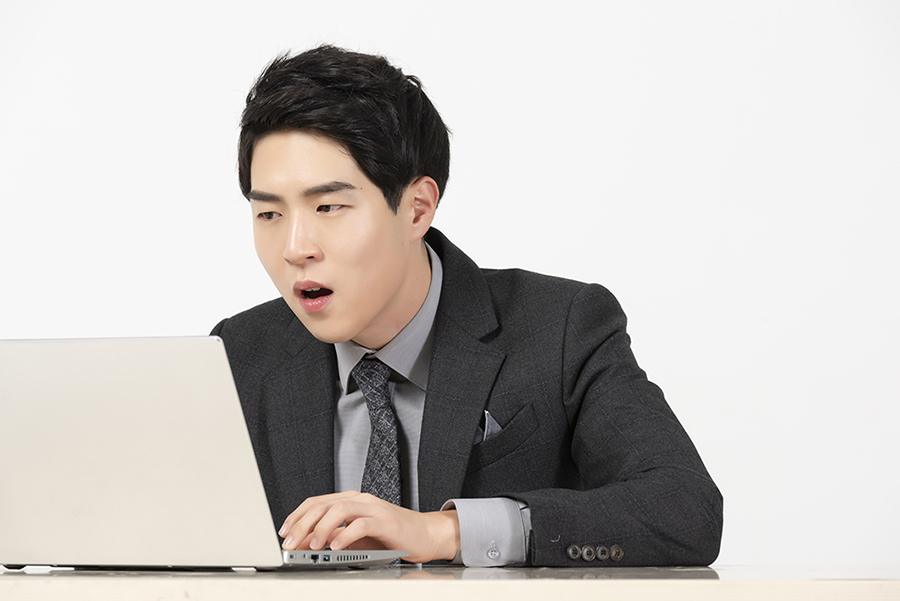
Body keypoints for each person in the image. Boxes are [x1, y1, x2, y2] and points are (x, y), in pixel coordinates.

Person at [211, 45, 723, 567]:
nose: (295, 247)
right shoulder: (237, 355)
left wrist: (446, 531)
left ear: (417, 209)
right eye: (269, 214)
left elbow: (686, 511)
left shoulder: (561, 328)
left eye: (328, 207)